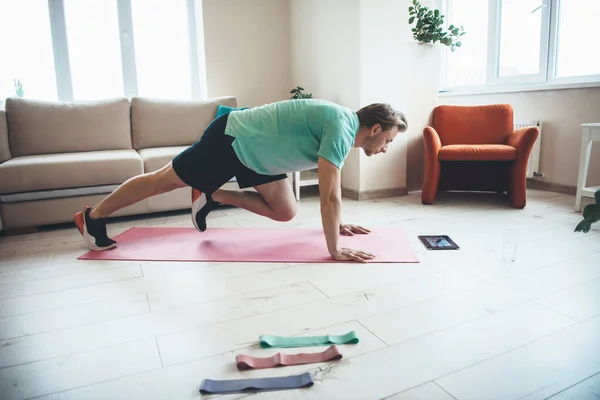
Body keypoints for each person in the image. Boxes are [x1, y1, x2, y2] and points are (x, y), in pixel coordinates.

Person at [74, 98, 407, 263]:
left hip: (260, 156)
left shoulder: (344, 128)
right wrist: (334, 248)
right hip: (233, 138)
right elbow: (330, 197)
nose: (385, 148)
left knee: (284, 211)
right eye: (388, 141)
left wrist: (338, 225)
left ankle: (213, 195)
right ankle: (92, 217)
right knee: (163, 181)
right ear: (375, 129)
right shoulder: (342, 127)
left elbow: (331, 196)